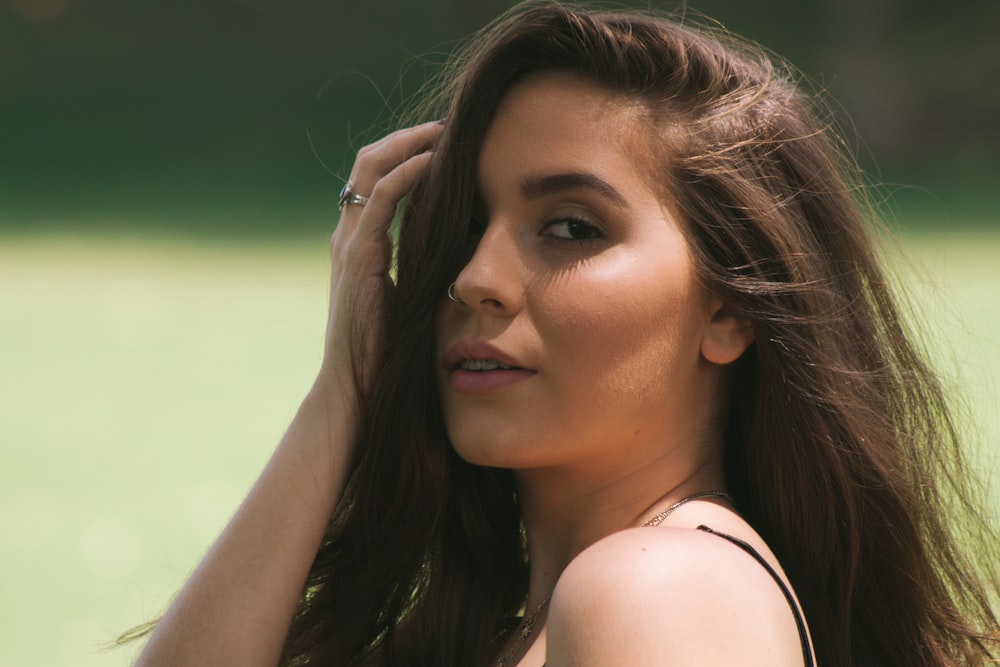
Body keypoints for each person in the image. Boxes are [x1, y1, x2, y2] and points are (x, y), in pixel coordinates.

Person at [130, 3, 1000, 665]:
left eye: (572, 228)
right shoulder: (548, 613)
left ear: (729, 311)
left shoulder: (658, 590)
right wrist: (343, 391)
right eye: (467, 223)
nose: (474, 278)